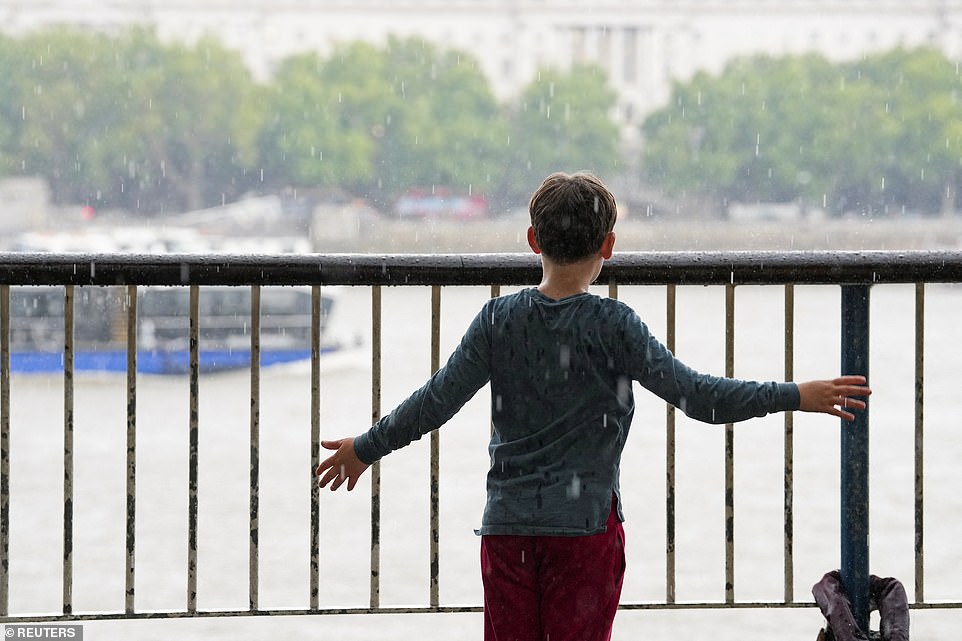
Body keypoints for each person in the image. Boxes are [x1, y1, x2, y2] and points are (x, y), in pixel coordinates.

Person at [315, 171, 872, 641]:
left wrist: (365, 448)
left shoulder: (496, 321)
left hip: (508, 530)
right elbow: (700, 398)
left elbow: (434, 403)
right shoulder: (614, 326)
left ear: (532, 240)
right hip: (583, 534)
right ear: (608, 246)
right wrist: (799, 395)